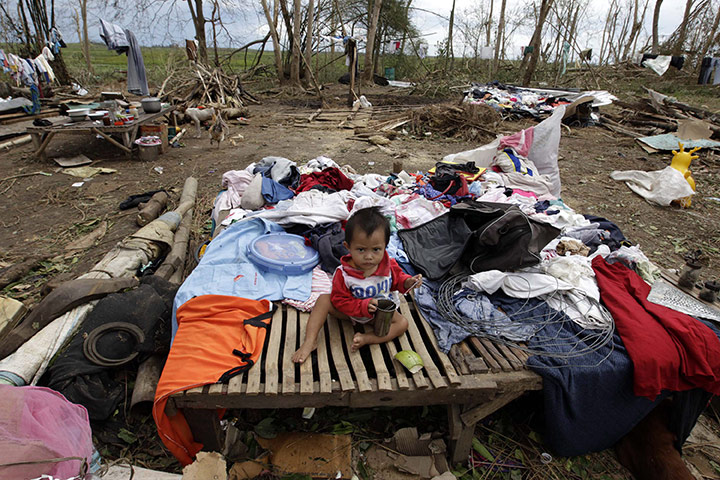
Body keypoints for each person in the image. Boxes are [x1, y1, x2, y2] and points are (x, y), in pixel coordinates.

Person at [292, 207, 422, 363]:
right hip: (350, 313)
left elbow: (398, 280)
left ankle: (368, 338)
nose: (368, 256)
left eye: (376, 249)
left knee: (402, 324)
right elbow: (339, 300)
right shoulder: (344, 273)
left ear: (385, 246)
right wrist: (363, 306)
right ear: (348, 247)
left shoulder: (389, 265)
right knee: (323, 300)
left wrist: (408, 282)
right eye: (361, 249)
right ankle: (309, 341)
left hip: (379, 316)